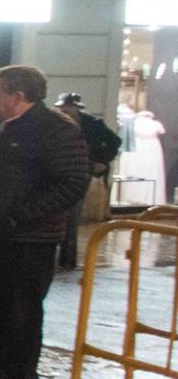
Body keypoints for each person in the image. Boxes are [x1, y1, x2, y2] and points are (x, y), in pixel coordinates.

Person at [0, 65, 90, 379]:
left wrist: (20, 216)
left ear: (18, 96)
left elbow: (72, 183)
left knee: (20, 307)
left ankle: (19, 374)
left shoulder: (54, 129)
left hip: (26, 239)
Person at [54, 93, 121, 270]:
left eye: (68, 107)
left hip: (82, 170)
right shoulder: (55, 123)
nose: (65, 110)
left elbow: (114, 141)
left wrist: (102, 160)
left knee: (73, 213)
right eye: (63, 107)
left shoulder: (92, 124)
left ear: (77, 107)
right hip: (58, 172)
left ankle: (68, 259)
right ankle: (58, 256)